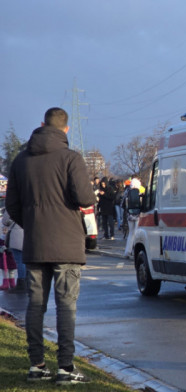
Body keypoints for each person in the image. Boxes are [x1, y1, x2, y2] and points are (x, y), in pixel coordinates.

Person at [5, 107, 96, 385]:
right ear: (65, 130)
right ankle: (65, 367)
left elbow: (12, 206)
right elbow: (84, 197)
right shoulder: (71, 158)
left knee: (36, 305)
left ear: (42, 124)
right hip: (67, 242)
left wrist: (33, 222)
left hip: (35, 242)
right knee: (66, 305)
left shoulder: (21, 161)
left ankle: (37, 365)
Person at [2, 212, 26, 293]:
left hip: (17, 235)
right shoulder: (30, 203)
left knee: (19, 261)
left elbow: (5, 221)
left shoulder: (12, 203)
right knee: (27, 261)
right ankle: (28, 283)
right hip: (29, 234)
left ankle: (22, 283)